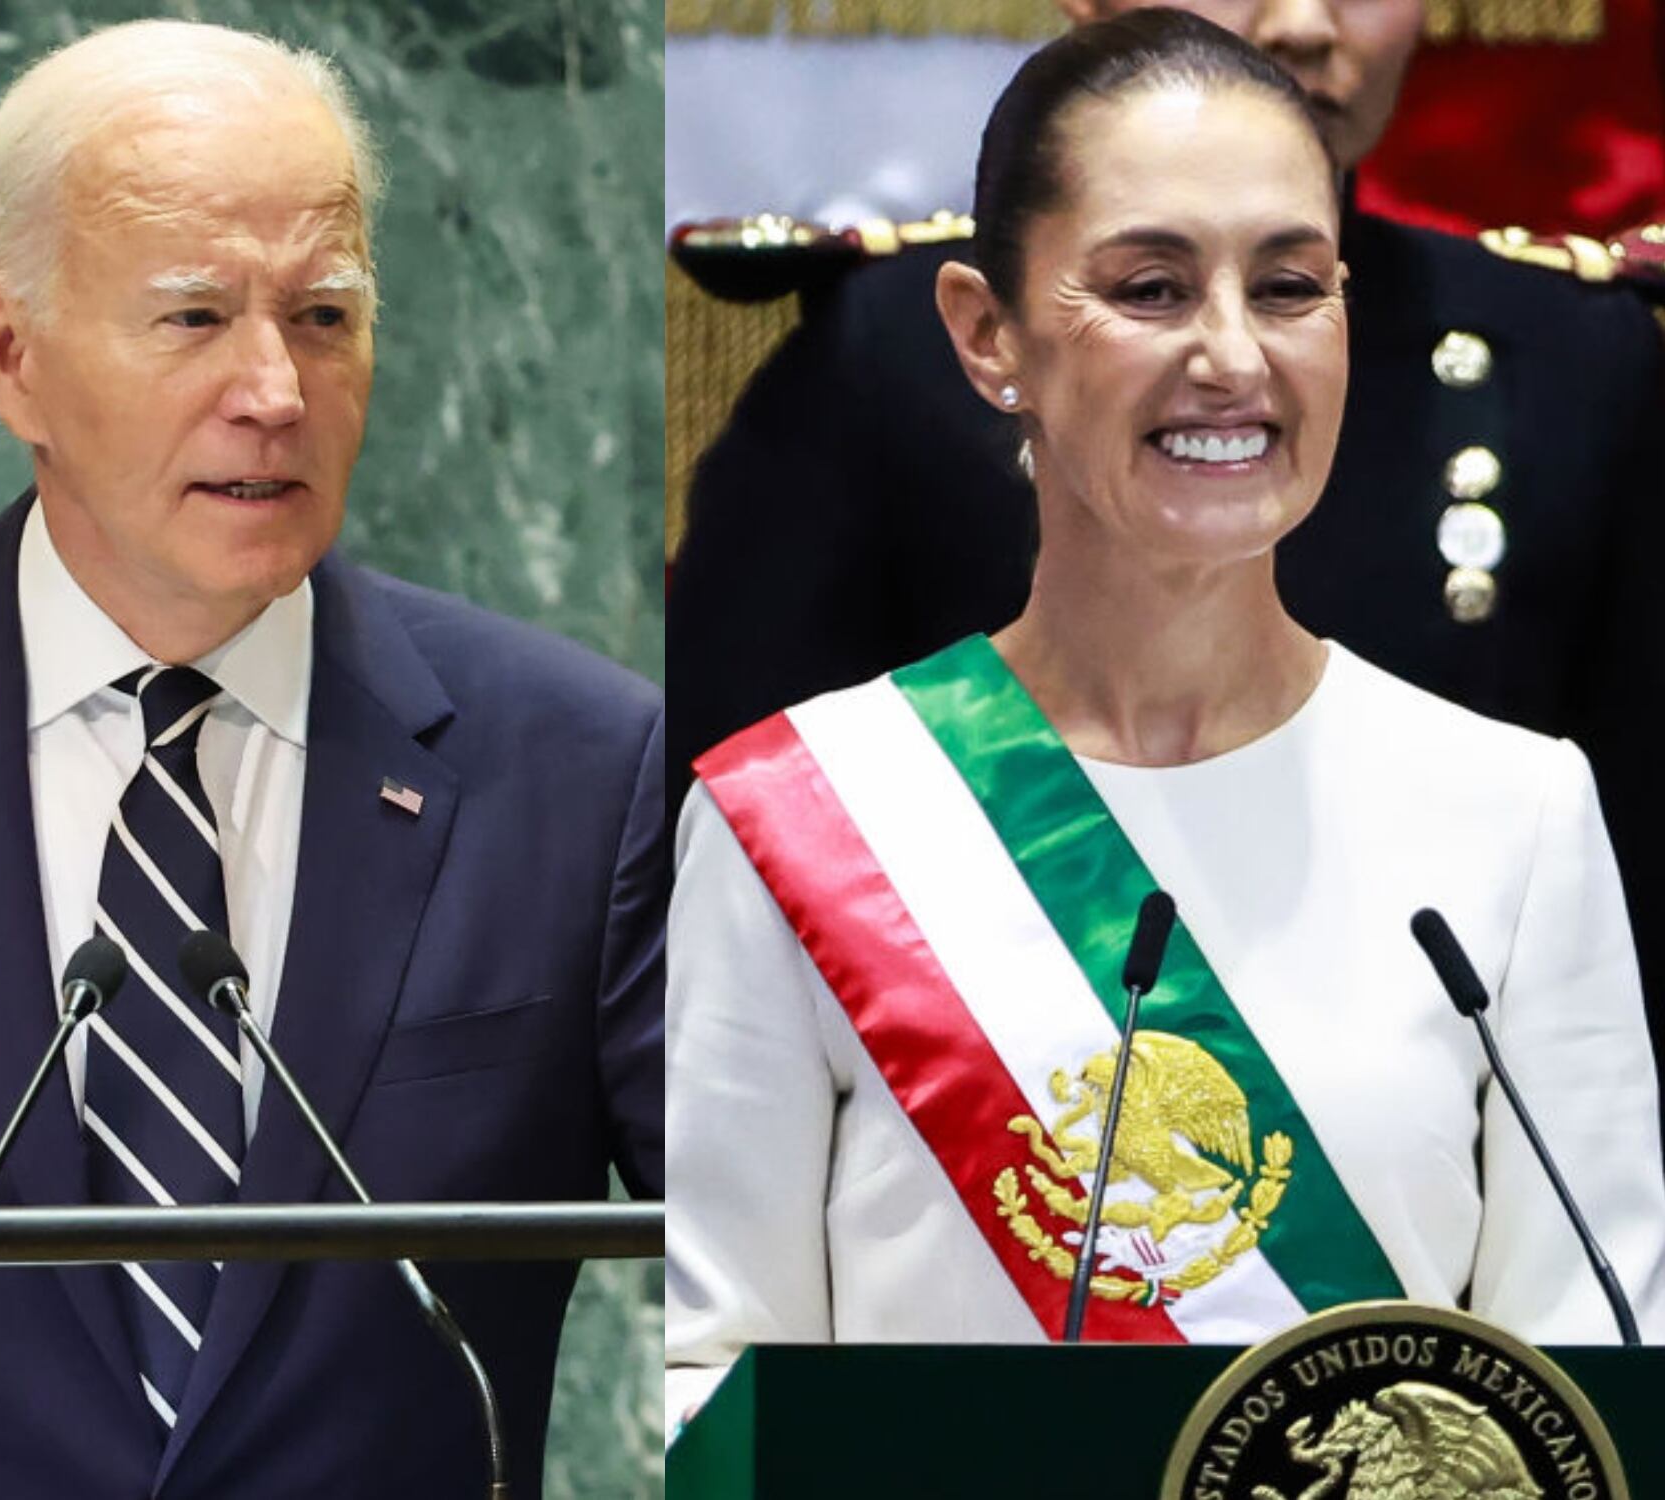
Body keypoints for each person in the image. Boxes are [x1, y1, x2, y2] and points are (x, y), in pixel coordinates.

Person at [0, 20, 662, 1498]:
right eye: (195, 318)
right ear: (11, 355)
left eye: (324, 318)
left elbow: (773, 1269)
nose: (275, 389)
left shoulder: (579, 768)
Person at [664, 9, 1665, 1419]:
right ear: (985, 333)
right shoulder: (795, 822)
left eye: (1291, 287)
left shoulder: (1519, 816)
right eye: (1149, 288)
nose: (1235, 359)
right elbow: (709, 1381)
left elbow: (1586, 1387)